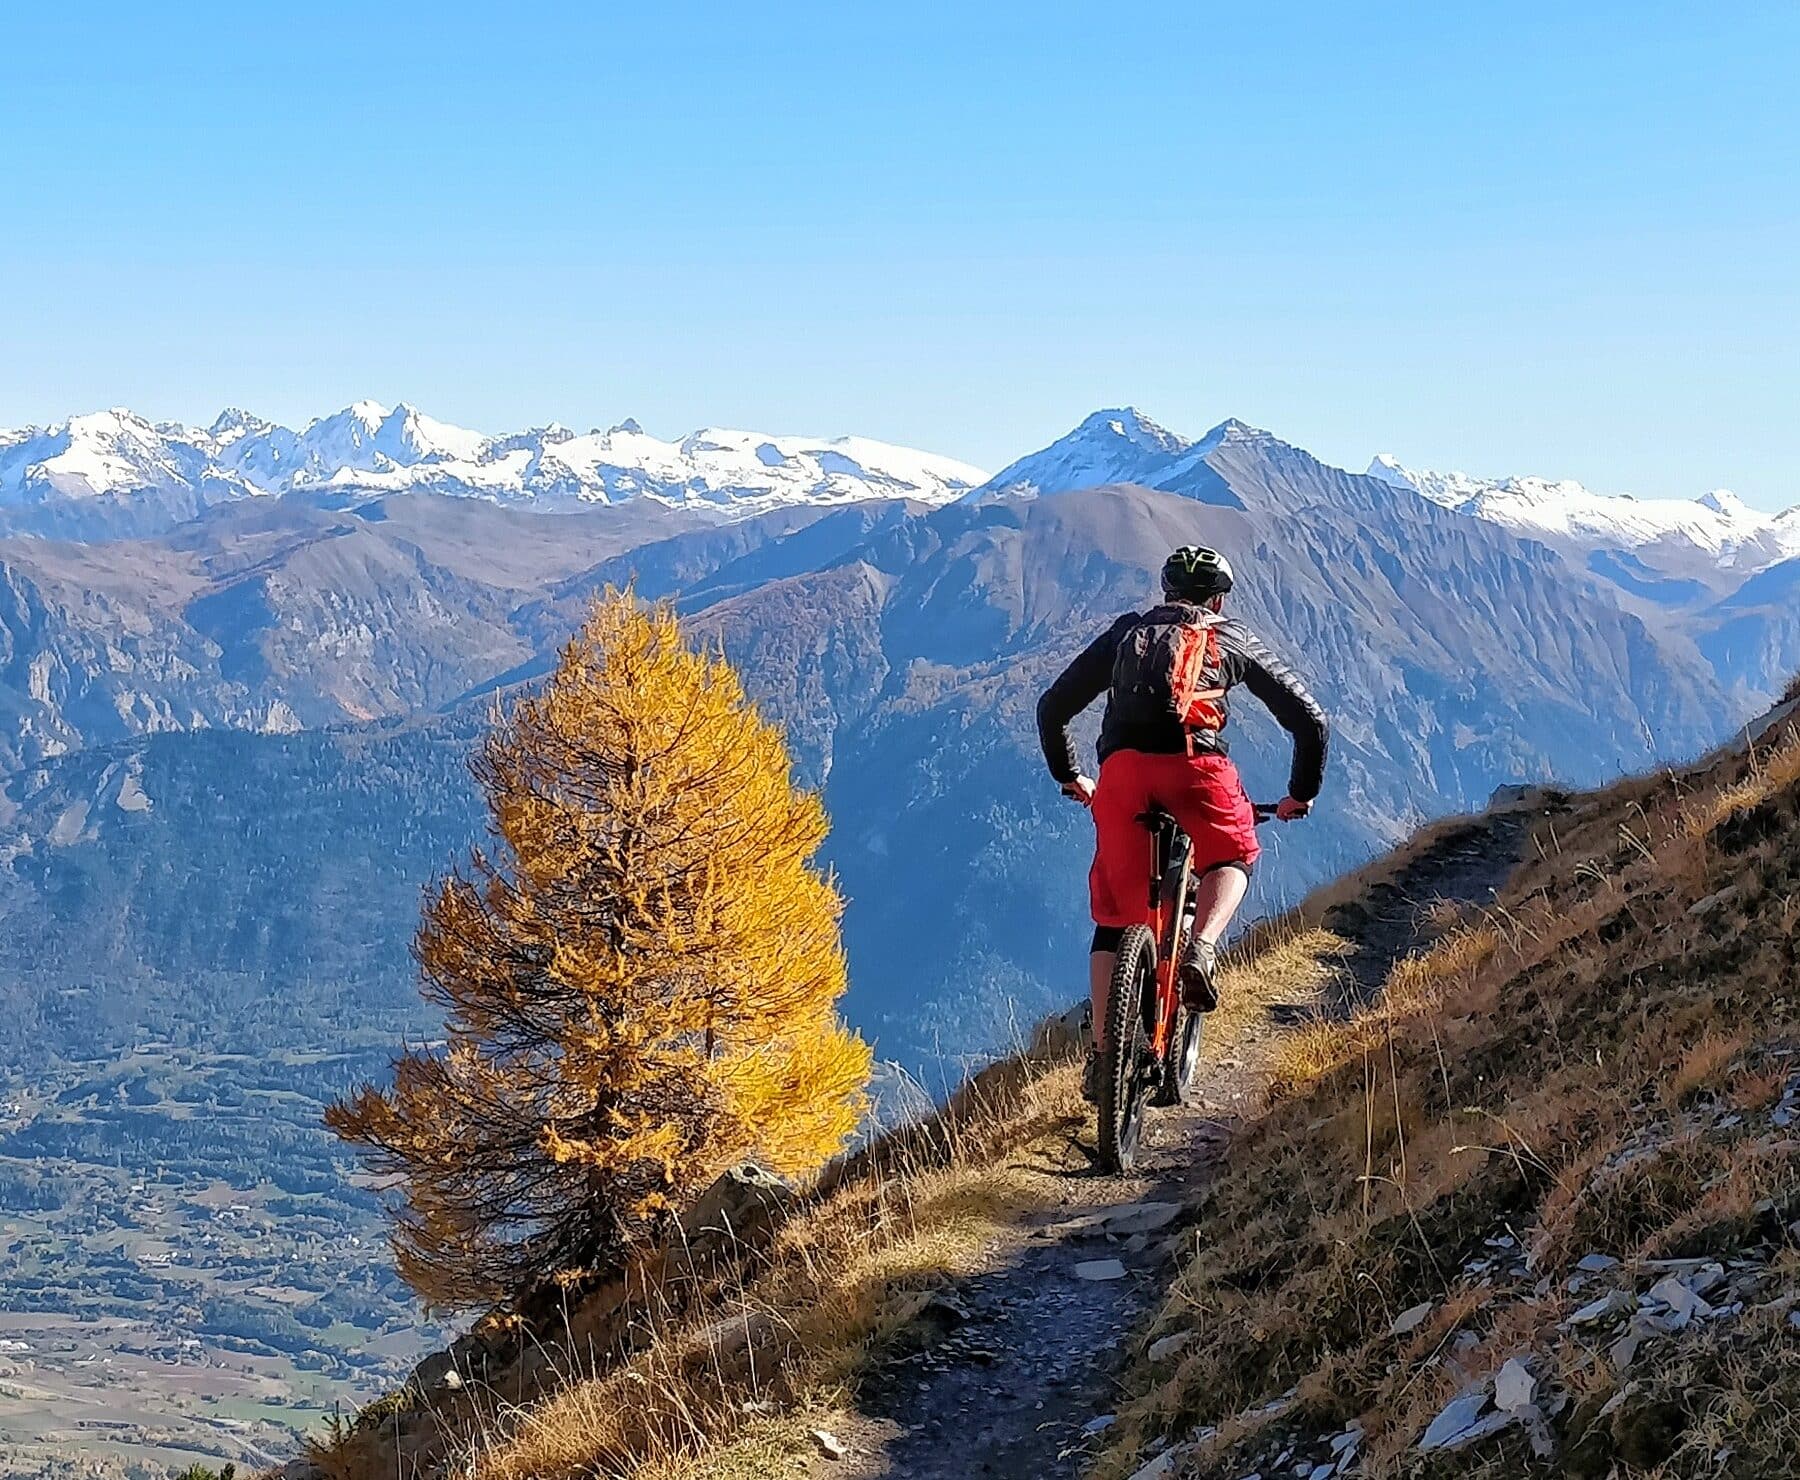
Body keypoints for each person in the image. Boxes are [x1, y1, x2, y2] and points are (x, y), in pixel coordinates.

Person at [1036, 544, 1329, 1097]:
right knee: (1233, 853)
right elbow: (1309, 720)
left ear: (1166, 592)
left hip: (1121, 775)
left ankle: (1104, 1057)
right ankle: (1203, 946)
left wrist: (1070, 775)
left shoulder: (1128, 633)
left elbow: (1052, 708)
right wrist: (1299, 794)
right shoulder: (1229, 637)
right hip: (1196, 767)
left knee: (1116, 918)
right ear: (1219, 598)